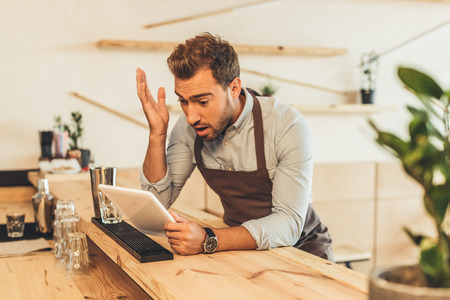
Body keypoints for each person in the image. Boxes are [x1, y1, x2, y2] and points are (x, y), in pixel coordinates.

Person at [136, 33, 333, 260]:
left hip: (304, 250)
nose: (191, 117)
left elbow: (288, 224)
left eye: (202, 102)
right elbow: (157, 203)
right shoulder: (188, 128)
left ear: (234, 88)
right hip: (241, 249)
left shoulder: (287, 125)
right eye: (183, 100)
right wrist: (157, 135)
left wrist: (209, 240)